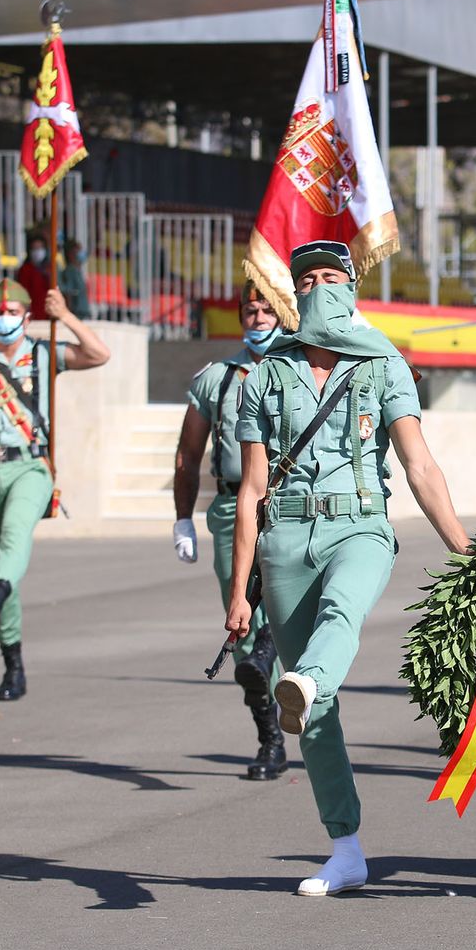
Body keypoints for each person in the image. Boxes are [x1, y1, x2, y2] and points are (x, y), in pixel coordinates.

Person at [224, 240, 471, 897]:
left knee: (340, 618)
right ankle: (346, 849)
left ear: (353, 288)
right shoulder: (268, 374)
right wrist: (237, 590)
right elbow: (250, 489)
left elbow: (418, 463)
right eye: (308, 279)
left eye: (334, 277)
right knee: (317, 714)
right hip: (285, 539)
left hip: (360, 525)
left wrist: (462, 545)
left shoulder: (382, 362)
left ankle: (305, 680)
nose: (320, 288)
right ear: (293, 293)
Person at [0, 280, 110, 700]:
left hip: (30, 466)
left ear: (26, 317)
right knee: (2, 564)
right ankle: (12, 661)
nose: (4, 318)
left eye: (13, 311)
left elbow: (98, 354)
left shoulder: (42, 352)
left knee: (15, 536)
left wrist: (65, 315)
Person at [174, 281, 287, 780]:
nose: (258, 318)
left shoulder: (302, 369)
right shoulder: (216, 378)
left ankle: (273, 665)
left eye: (267, 309)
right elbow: (188, 454)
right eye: (249, 310)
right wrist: (182, 517)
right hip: (228, 505)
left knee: (283, 610)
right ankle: (270, 736)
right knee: (239, 617)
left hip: (289, 504)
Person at [16, 233, 51, 313]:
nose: (37, 251)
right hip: (32, 314)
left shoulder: (49, 268)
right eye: (34, 248)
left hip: (47, 314)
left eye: (40, 248)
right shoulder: (25, 269)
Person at [58, 239, 88, 317]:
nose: (81, 254)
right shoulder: (70, 271)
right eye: (79, 251)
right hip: (76, 314)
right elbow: (69, 293)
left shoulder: (77, 270)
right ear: (70, 254)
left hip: (81, 313)